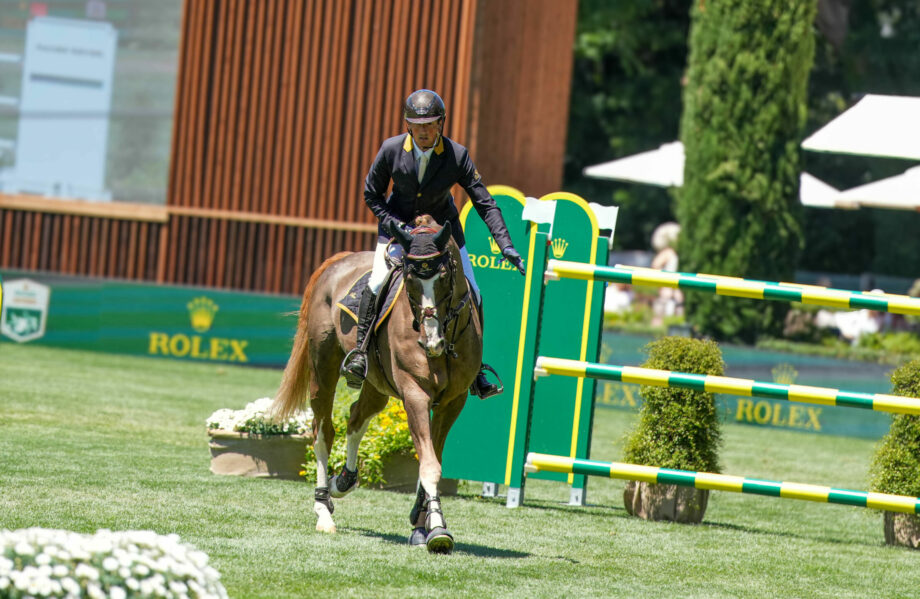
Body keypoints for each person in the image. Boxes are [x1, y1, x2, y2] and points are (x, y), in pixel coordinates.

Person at [340, 89, 525, 398]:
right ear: (408, 125)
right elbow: (371, 194)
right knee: (377, 281)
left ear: (441, 123)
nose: (424, 131)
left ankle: (476, 368)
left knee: (474, 290)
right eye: (417, 125)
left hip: (441, 234)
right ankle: (360, 353)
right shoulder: (391, 150)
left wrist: (506, 245)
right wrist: (394, 225)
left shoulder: (457, 155)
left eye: (429, 124)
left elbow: (485, 203)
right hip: (399, 229)